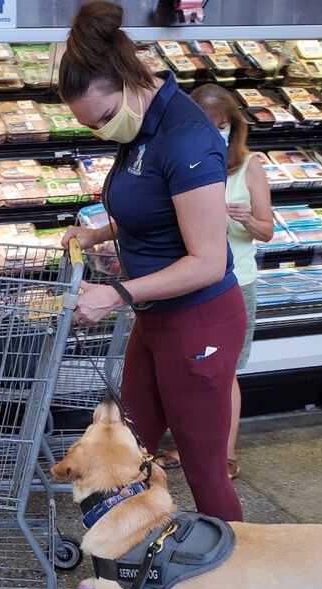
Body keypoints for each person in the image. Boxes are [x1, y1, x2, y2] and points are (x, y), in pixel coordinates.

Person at [60, 1, 246, 523]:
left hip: (199, 321)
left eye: (100, 119)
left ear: (124, 82)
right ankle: (126, 560)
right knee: (126, 446)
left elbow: (207, 261)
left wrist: (116, 294)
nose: (99, 132)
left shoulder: (186, 136)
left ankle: (237, 585)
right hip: (157, 317)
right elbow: (155, 206)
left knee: (205, 468)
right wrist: (99, 230)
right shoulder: (140, 124)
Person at [155, 85, 275, 478]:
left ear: (230, 125)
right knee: (187, 369)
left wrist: (245, 219)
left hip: (234, 284)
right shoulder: (180, 160)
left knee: (223, 374)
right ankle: (185, 446)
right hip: (188, 283)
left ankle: (224, 455)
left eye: (220, 126)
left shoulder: (248, 166)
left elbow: (266, 231)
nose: (213, 134)